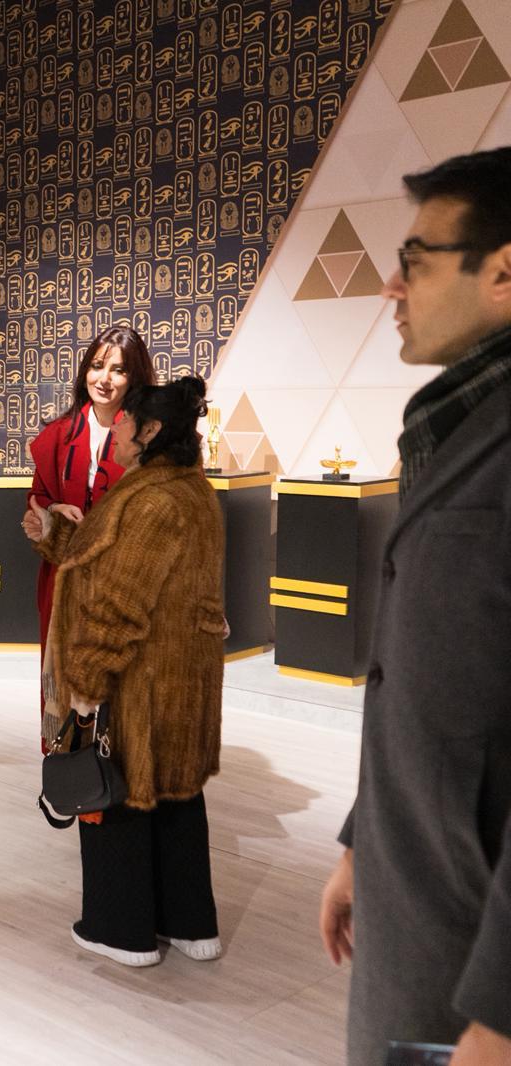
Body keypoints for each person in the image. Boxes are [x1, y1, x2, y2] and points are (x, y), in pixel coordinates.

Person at [316, 148, 511, 1066]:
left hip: (476, 947)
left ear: (503, 272)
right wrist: (365, 843)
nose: (392, 286)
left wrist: (501, 1014)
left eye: (418, 261)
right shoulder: (455, 426)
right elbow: (426, 679)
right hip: (416, 894)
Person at [23, 376, 225, 967]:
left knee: (119, 790)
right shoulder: (187, 489)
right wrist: (55, 533)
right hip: (178, 677)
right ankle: (188, 924)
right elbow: (113, 558)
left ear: (151, 430)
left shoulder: (150, 500)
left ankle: (121, 931)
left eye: (126, 421)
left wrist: (86, 682)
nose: (114, 427)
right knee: (174, 794)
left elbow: (118, 601)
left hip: (137, 682)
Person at [24, 325, 156, 749]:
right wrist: (51, 512)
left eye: (118, 370)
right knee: (62, 682)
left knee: (122, 690)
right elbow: (36, 500)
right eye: (97, 366)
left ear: (135, 378)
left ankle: (119, 770)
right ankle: (67, 765)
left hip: (125, 587)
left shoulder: (150, 437)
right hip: (65, 582)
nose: (105, 379)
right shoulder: (57, 435)